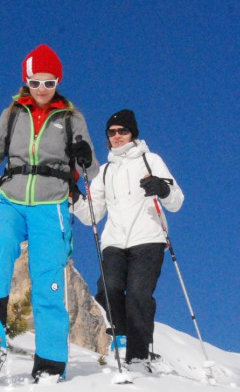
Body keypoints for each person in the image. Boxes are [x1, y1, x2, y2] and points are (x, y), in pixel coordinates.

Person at [0, 44, 99, 382]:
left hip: (51, 205)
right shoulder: (12, 114)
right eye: (36, 82)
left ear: (58, 82)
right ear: (27, 81)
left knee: (48, 278)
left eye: (49, 82)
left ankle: (51, 362)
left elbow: (92, 169)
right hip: (11, 200)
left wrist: (84, 155)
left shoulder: (72, 119)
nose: (42, 89)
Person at [74, 109, 183, 371]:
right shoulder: (106, 171)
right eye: (112, 133)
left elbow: (176, 201)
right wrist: (73, 195)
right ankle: (121, 337)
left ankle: (138, 356)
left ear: (132, 133)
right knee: (108, 288)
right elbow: (92, 214)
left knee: (138, 294)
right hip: (114, 241)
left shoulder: (150, 160)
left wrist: (163, 188)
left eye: (122, 131)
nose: (117, 136)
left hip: (148, 238)